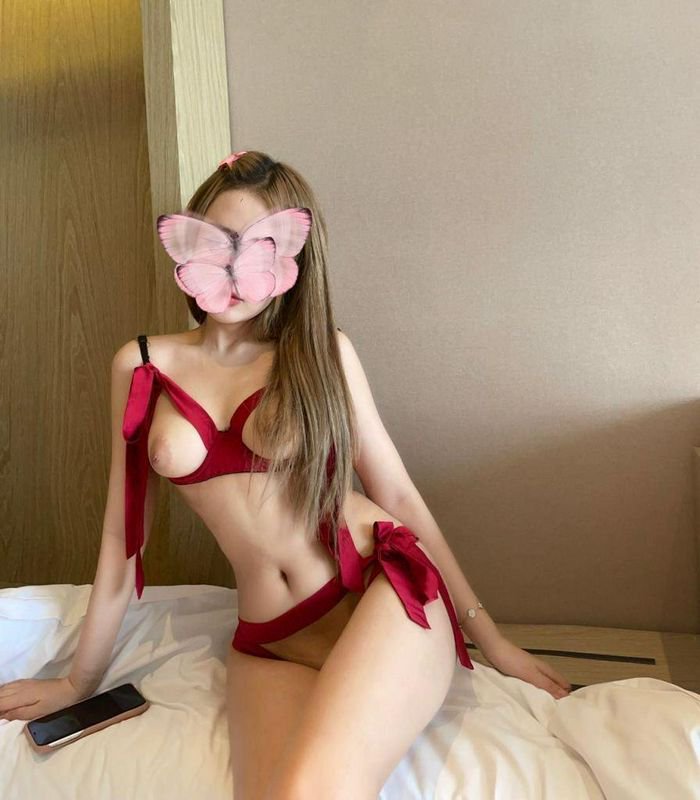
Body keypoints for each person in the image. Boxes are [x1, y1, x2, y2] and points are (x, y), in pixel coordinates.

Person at [0, 150, 571, 799]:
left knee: (312, 789)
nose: (234, 267)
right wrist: (77, 682)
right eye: (218, 242)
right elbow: (120, 537)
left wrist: (492, 640)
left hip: (379, 591)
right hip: (268, 641)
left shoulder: (323, 352)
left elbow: (397, 494)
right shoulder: (140, 366)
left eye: (259, 247)